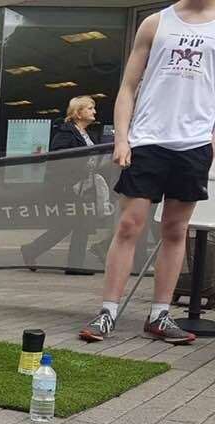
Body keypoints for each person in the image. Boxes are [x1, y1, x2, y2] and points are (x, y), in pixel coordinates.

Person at [81, 1, 215, 345]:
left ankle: (159, 316)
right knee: (129, 225)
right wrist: (121, 139)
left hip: (194, 145)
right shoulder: (155, 23)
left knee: (175, 230)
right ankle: (108, 311)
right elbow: (127, 87)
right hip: (148, 142)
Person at [21, 97, 104, 276]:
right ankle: (69, 264)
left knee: (73, 224)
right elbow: (59, 158)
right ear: (78, 112)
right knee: (75, 224)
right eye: (90, 108)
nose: (94, 112)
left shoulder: (88, 134)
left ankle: (34, 250)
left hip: (84, 186)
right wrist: (79, 168)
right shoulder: (66, 132)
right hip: (68, 187)